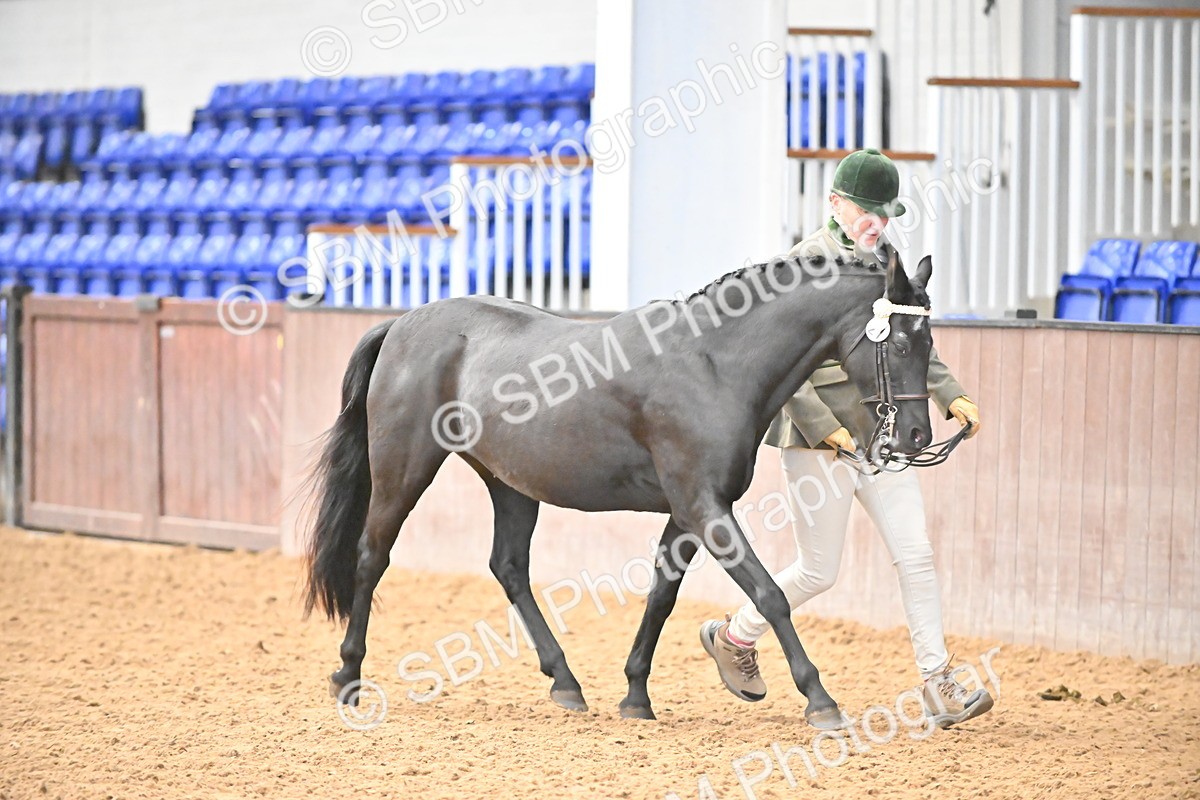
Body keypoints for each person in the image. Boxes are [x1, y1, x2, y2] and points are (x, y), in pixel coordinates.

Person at [699, 148, 993, 729]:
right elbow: (778, 367)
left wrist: (949, 392)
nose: (875, 222)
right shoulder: (801, 265)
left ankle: (938, 682)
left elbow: (906, 345)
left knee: (916, 555)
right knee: (818, 570)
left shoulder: (888, 260)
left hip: (881, 434)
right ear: (835, 203)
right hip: (818, 438)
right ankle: (734, 634)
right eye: (865, 209)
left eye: (884, 211)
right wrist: (824, 428)